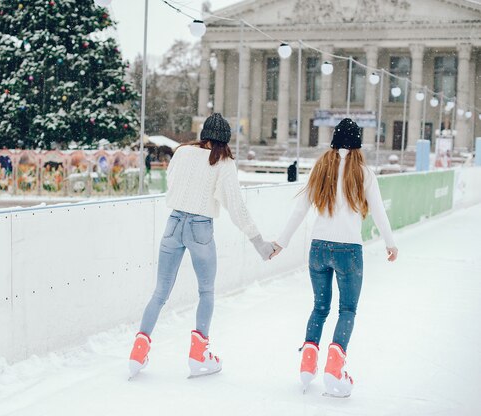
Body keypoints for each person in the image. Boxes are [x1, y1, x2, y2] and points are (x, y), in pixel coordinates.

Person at [129, 113, 275, 379]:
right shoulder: (224, 162)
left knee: (160, 293)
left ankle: (139, 350)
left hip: (173, 223)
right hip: (200, 227)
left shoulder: (182, 153)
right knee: (206, 291)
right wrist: (259, 243)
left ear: (204, 134)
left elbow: (172, 184)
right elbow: (236, 206)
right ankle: (199, 354)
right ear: (225, 140)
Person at [271, 118, 398, 397]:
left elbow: (299, 210)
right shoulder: (364, 174)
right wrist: (391, 243)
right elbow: (379, 212)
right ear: (357, 146)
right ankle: (334, 369)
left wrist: (281, 242)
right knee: (347, 310)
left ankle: (307, 366)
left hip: (319, 249)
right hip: (348, 251)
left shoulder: (321, 169)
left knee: (319, 308)